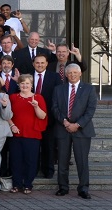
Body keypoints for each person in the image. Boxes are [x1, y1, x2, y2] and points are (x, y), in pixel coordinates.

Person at [52, 63, 96, 199]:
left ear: (80, 74)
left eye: (74, 73)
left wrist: (77, 124)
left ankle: (83, 188)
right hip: (62, 128)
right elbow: (55, 108)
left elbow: (90, 110)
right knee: (63, 160)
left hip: (82, 130)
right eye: (69, 73)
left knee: (82, 161)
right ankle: (63, 187)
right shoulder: (59, 89)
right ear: (65, 74)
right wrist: (64, 122)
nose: (72, 75)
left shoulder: (89, 89)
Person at [9, 74, 47, 194]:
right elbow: (7, 115)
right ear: (19, 85)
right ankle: (16, 184)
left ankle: (28, 184)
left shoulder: (38, 98)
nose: (24, 85)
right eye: (22, 83)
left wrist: (36, 107)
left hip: (32, 134)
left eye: (27, 83)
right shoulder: (13, 97)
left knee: (30, 160)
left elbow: (43, 116)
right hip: (16, 133)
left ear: (32, 85)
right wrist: (12, 125)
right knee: (15, 160)